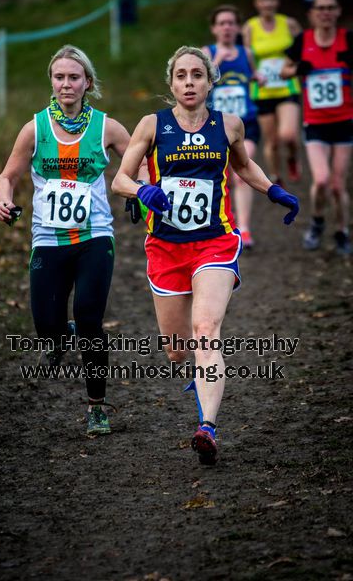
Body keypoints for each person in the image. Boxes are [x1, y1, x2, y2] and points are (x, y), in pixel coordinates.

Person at [112, 46, 299, 465]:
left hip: (215, 240)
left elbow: (244, 166)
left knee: (205, 328)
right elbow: (120, 179)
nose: (189, 82)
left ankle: (208, 427)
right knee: (177, 350)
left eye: (197, 74)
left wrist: (274, 191)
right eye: (181, 76)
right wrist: (142, 189)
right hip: (166, 246)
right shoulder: (151, 125)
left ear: (210, 81)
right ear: (172, 83)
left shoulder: (229, 124)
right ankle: (196, 374)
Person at [0, 45, 134, 435]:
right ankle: (59, 336)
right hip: (48, 240)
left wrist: (140, 190)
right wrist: (4, 201)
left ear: (87, 82)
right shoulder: (34, 129)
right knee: (47, 328)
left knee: (90, 319)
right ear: (51, 82)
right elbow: (7, 176)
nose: (66, 84)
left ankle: (97, 407)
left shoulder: (107, 127)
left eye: (74, 77)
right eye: (59, 77)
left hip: (95, 237)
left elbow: (138, 157)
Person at [281, 0, 353, 254]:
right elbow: (283, 69)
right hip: (315, 123)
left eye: (330, 7)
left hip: (344, 121)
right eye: (320, 8)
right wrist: (297, 69)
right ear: (312, 14)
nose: (325, 12)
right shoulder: (304, 40)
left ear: (338, 12)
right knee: (321, 180)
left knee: (337, 184)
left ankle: (342, 231)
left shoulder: (347, 39)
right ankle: (317, 221)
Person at [202, 4, 262, 248]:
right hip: (216, 126)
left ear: (237, 28)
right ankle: (217, 224)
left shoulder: (246, 52)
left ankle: (244, 228)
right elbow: (201, 81)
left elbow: (255, 77)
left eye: (231, 23)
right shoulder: (207, 52)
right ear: (214, 28)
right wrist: (216, 61)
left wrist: (260, 79)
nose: (227, 27)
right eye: (222, 23)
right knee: (219, 176)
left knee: (241, 174)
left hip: (246, 123)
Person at [243, 0, 302, 186]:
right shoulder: (250, 28)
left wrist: (296, 67)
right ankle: (276, 177)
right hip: (263, 91)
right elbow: (247, 55)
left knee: (288, 135)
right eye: (263, 0)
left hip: (288, 86)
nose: (267, 4)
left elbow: (305, 48)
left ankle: (293, 156)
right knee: (272, 141)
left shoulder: (289, 24)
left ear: (277, 1)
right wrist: (252, 73)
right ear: (256, 3)